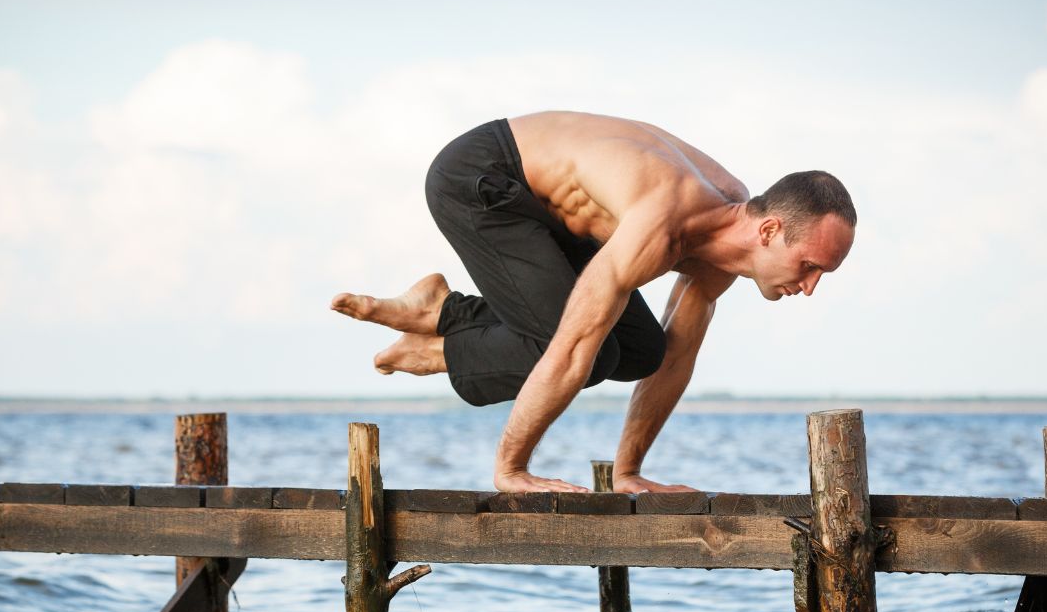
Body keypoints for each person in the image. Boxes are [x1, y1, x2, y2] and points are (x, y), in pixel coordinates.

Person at [332, 111, 856, 494]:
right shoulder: (665, 219)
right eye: (809, 266)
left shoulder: (722, 243)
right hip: (482, 175)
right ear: (769, 229)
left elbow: (674, 358)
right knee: (586, 349)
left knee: (640, 351)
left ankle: (442, 310)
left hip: (552, 213)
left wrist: (628, 472)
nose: (809, 287)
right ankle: (441, 337)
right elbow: (573, 344)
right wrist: (511, 470)